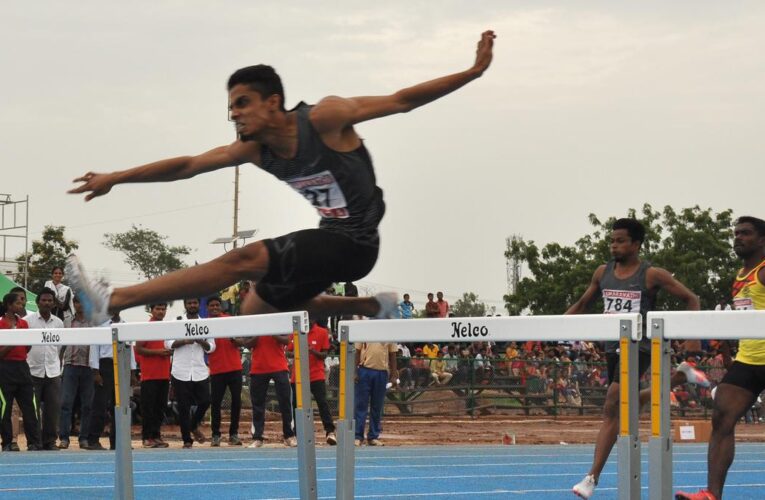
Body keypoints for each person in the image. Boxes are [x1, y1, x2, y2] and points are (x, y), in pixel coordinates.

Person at [64, 31, 497, 328]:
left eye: (242, 103)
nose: (234, 113)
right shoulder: (253, 149)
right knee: (253, 314)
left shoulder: (326, 118)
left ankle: (113, 301)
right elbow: (188, 165)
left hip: (357, 242)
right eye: (230, 106)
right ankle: (370, 306)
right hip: (330, 240)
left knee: (242, 259)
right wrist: (117, 178)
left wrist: (472, 71)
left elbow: (402, 101)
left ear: (273, 102)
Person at [569, 218, 709, 499]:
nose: (614, 246)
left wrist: (693, 337)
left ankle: (591, 477)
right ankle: (680, 376)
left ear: (636, 244)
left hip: (639, 347)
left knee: (612, 406)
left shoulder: (651, 275)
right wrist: (558, 327)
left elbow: (691, 298)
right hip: (613, 347)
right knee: (627, 404)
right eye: (612, 240)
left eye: (620, 241)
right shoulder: (602, 272)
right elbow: (584, 303)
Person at [676, 216, 765, 500]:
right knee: (721, 417)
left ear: (762, 240)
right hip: (749, 359)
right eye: (736, 233)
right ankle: (712, 495)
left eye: (746, 233)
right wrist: (728, 354)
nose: (738, 237)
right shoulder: (741, 276)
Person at [166, 298, 215, 448]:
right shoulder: (176, 321)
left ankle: (193, 425)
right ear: (185, 305)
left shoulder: (205, 323)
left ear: (199, 305)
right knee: (183, 407)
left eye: (195, 303)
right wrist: (184, 341)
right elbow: (168, 343)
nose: (192, 305)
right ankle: (186, 439)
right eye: (189, 303)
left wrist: (200, 340)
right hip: (181, 370)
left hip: (199, 370)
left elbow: (212, 347)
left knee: (205, 401)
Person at [0, 292, 43, 451]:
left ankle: (34, 442)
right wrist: (13, 340)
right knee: (5, 408)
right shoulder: (1, 323)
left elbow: (27, 346)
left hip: (22, 367)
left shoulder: (24, 324)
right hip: (4, 368)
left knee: (30, 407)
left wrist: (19, 340)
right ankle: (7, 443)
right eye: (18, 303)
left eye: (22, 303)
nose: (22, 305)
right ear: (9, 305)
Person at [25, 288, 65, 450]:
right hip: (32, 371)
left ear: (54, 303)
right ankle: (34, 442)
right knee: (32, 410)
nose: (47, 303)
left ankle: (49, 441)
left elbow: (60, 347)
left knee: (52, 410)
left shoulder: (59, 323)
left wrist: (59, 365)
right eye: (44, 300)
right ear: (37, 302)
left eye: (50, 300)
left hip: (53, 371)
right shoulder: (28, 321)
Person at [287, 316, 337, 445]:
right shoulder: (295, 332)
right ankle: (298, 434)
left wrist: (312, 351)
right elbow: (288, 352)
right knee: (297, 405)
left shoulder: (322, 332)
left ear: (314, 320)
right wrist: (300, 350)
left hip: (316, 375)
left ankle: (330, 431)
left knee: (322, 403)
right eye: (306, 320)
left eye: (310, 319)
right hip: (298, 376)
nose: (308, 322)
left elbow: (324, 354)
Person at [243, 333, 296, 448]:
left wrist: (272, 333)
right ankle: (257, 437)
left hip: (279, 366)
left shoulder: (277, 319)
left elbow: (287, 340)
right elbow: (247, 344)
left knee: (285, 402)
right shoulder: (254, 321)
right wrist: (260, 333)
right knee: (258, 404)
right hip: (258, 367)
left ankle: (289, 435)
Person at [206, 296, 245, 447]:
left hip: (235, 368)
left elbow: (241, 341)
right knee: (215, 403)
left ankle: (233, 434)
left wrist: (235, 340)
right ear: (208, 308)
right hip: (216, 370)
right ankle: (216, 435)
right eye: (212, 306)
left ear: (221, 307)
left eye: (217, 305)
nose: (215, 308)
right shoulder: (204, 324)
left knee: (236, 402)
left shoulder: (229, 320)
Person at [59, 295, 94, 449]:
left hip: (89, 367)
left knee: (87, 405)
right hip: (70, 366)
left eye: (82, 301)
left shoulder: (94, 323)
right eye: (77, 301)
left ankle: (84, 438)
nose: (80, 305)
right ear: (73, 303)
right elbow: (61, 345)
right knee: (66, 404)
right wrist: (59, 366)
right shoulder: (66, 322)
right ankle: (64, 438)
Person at [134, 303, 172, 448]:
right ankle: (146, 437)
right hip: (149, 375)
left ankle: (156, 436)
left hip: (164, 374)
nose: (161, 312)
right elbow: (138, 349)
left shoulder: (167, 328)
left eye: (163, 309)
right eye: (158, 309)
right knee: (148, 408)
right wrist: (158, 352)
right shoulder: (146, 327)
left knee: (160, 407)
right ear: (151, 310)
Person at [354, 341, 397, 446]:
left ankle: (373, 436)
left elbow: (393, 354)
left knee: (377, 406)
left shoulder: (388, 331)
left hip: (382, 371)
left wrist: (394, 374)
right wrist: (355, 371)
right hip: (364, 370)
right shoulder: (364, 328)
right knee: (360, 405)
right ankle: (357, 436)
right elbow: (357, 351)